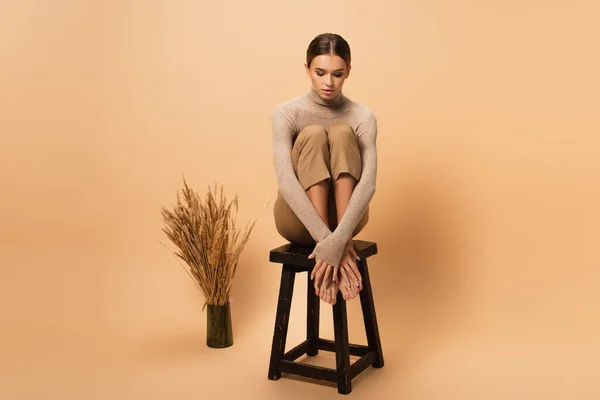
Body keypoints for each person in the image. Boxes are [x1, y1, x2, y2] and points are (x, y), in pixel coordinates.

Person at [271, 33, 378, 305]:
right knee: (314, 134)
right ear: (307, 69)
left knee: (342, 133)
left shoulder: (362, 116)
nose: (329, 82)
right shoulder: (286, 113)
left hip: (347, 220)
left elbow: (368, 184)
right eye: (320, 73)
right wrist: (330, 246)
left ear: (348, 72)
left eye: (337, 74)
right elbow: (286, 182)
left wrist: (339, 238)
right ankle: (333, 250)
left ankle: (336, 243)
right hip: (298, 220)